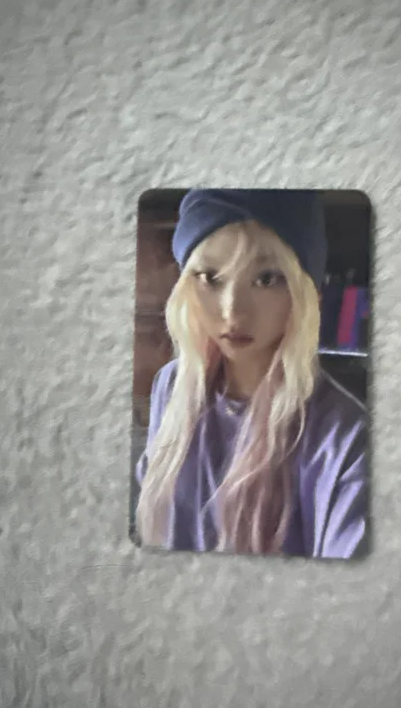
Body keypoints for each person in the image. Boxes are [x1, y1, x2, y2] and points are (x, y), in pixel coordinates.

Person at [135, 189, 369, 559]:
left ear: (303, 292)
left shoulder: (346, 438)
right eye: (210, 277)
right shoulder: (171, 385)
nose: (233, 312)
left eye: (267, 279)